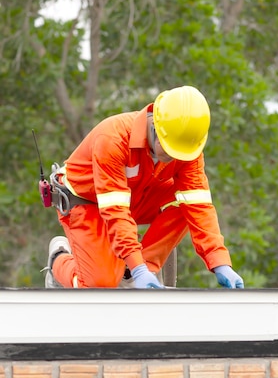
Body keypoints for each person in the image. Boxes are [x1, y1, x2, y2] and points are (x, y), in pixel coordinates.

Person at [44, 85, 244, 290]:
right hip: (86, 203)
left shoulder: (187, 150)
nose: (175, 158)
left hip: (132, 198)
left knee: (186, 203)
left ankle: (132, 273)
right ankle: (59, 260)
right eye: (170, 150)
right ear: (154, 128)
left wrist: (220, 262)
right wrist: (137, 264)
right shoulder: (113, 139)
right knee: (99, 286)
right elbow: (115, 211)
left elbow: (199, 207)